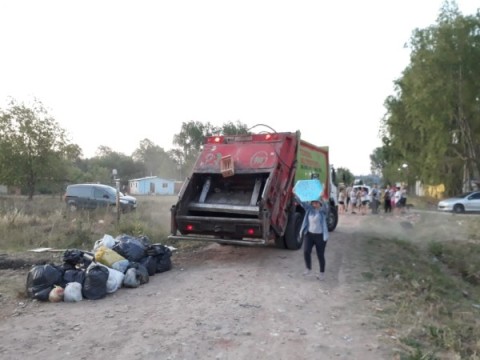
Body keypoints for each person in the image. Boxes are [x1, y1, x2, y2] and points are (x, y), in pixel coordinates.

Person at [294, 193, 330, 281]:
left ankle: (322, 273)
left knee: (320, 255)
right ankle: (308, 269)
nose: (315, 204)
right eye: (313, 203)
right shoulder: (309, 210)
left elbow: (326, 207)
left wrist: (322, 198)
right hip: (309, 235)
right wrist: (295, 193)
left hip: (320, 236)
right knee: (306, 251)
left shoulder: (322, 212)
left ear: (320, 203)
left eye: (317, 203)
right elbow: (302, 202)